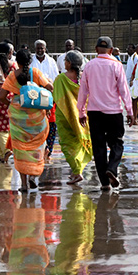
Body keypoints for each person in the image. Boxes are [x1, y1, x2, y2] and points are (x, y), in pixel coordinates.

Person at [77, 36, 133, 191]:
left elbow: (83, 91)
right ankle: (112, 168)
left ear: (96, 50)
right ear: (111, 50)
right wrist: (130, 110)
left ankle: (104, 183)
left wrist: (81, 111)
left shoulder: (89, 66)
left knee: (99, 146)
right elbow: (123, 89)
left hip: (94, 112)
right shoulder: (116, 65)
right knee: (117, 143)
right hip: (114, 111)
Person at [1, 48, 54, 192]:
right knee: (37, 147)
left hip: (19, 119)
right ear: (30, 61)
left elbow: (1, 96)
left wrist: (13, 105)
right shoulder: (36, 73)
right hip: (37, 117)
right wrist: (46, 105)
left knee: (20, 149)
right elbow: (50, 87)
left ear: (16, 61)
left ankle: (24, 184)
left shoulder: (12, 76)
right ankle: (33, 176)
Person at [53, 50, 91, 185]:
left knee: (66, 144)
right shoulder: (85, 78)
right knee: (79, 142)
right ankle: (76, 172)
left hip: (65, 116)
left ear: (69, 63)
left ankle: (77, 170)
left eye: (65, 61)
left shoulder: (61, 79)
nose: (64, 63)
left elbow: (56, 97)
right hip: (82, 115)